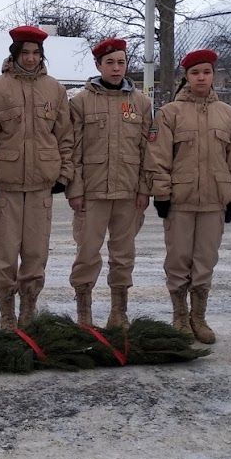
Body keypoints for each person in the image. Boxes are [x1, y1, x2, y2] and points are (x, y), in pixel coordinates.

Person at [147, 48, 231, 344]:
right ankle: (179, 315)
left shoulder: (228, 115)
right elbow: (158, 158)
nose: (201, 77)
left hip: (215, 201)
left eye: (206, 72)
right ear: (186, 77)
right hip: (180, 200)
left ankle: (198, 317)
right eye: (195, 73)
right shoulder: (169, 114)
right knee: (178, 260)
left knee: (205, 261)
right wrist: (161, 195)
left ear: (213, 75)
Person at [0, 25, 75, 329]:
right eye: (25, 53)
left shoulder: (55, 90)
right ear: (15, 54)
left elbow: (66, 137)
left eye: (36, 53)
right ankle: (7, 314)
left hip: (41, 186)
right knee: (4, 254)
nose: (31, 59)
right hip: (6, 186)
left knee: (35, 254)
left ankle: (28, 311)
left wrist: (64, 173)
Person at [66, 37, 152, 328]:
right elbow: (72, 150)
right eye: (110, 63)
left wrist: (144, 188)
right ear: (98, 65)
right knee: (87, 254)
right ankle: (84, 313)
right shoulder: (80, 103)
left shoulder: (141, 103)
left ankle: (119, 312)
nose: (116, 68)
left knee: (123, 255)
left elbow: (147, 151)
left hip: (128, 193)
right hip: (92, 193)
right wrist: (75, 190)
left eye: (121, 62)